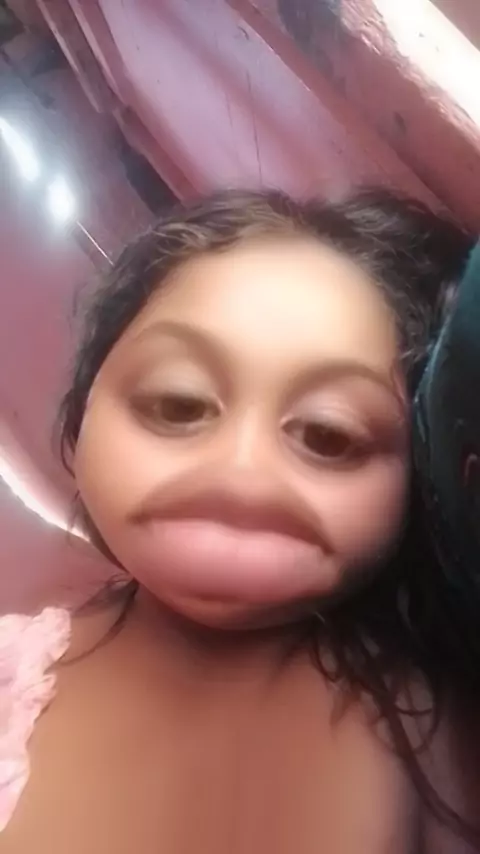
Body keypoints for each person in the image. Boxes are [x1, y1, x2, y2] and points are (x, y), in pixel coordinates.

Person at [0, 188, 475, 853]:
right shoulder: (10, 668)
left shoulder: (445, 715)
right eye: (179, 402)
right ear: (84, 415)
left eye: (329, 435)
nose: (241, 471)